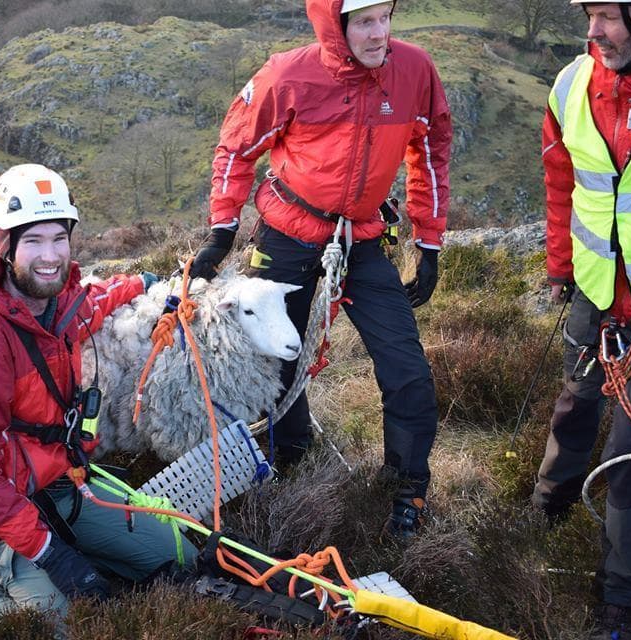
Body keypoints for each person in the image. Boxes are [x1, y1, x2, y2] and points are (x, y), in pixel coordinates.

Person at [191, 0, 451, 537]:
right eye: (364, 22)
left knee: (408, 373)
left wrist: (429, 241)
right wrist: (222, 228)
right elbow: (236, 150)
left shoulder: (414, 70)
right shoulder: (288, 75)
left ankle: (405, 490)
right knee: (276, 359)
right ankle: (290, 452)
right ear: (335, 24)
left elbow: (429, 152)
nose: (380, 34)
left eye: (386, 18)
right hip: (288, 233)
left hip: (361, 238)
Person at [0, 164, 195, 629]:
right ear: (4, 245)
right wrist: (52, 554)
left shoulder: (63, 305)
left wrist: (142, 284)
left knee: (180, 558)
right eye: (33, 241)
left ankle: (84, 553)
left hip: (62, 481)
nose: (50, 256)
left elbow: (96, 297)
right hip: (0, 506)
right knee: (61, 625)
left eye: (59, 238)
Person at [531, 1, 631, 637]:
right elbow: (561, 177)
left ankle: (617, 608)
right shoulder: (573, 84)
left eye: (608, 16)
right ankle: (545, 514)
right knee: (573, 407)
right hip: (598, 295)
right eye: (589, 14)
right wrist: (561, 264)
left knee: (630, 457)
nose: (591, 31)